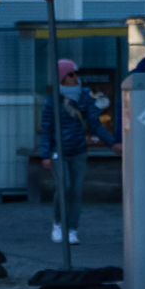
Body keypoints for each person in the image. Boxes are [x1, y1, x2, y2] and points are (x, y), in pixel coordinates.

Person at [36, 58, 110, 244]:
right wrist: (45, 154)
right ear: (62, 77)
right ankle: (58, 224)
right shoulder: (53, 100)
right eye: (70, 74)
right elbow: (47, 128)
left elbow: (95, 123)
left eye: (76, 73)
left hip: (78, 151)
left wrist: (112, 143)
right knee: (64, 187)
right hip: (58, 151)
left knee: (76, 191)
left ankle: (72, 230)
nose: (75, 77)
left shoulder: (84, 97)